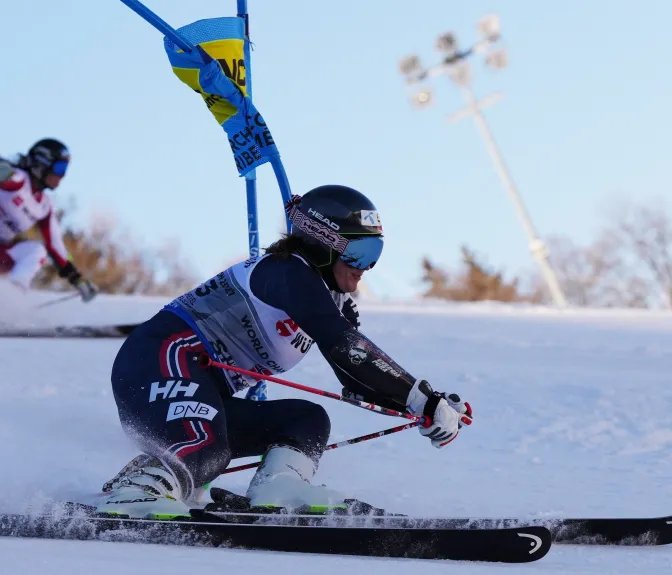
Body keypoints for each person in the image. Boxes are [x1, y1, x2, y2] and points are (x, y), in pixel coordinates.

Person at [95, 184, 473, 519]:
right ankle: (136, 494)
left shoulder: (326, 297)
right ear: (324, 243)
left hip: (201, 386)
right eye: (359, 253)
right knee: (206, 449)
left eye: (376, 253)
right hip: (161, 359)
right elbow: (344, 345)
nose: (366, 268)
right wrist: (419, 396)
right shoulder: (288, 272)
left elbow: (354, 375)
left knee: (305, 420)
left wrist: (424, 405)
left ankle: (279, 487)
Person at [0, 138, 97, 301]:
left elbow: (55, 246)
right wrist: (1, 172)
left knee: (36, 251)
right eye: (59, 168)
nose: (61, 176)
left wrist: (77, 279)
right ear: (42, 164)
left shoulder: (44, 207)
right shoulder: (21, 180)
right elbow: (8, 177)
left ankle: (11, 300)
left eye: (65, 169)